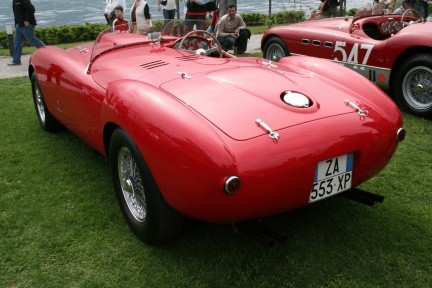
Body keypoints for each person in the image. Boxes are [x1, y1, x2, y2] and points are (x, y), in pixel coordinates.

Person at [8, 0, 45, 66]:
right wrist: (17, 23)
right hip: (19, 25)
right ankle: (16, 61)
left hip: (27, 24)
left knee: (32, 40)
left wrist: (26, 20)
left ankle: (48, 52)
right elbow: (17, 12)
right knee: (17, 42)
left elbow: (31, 8)